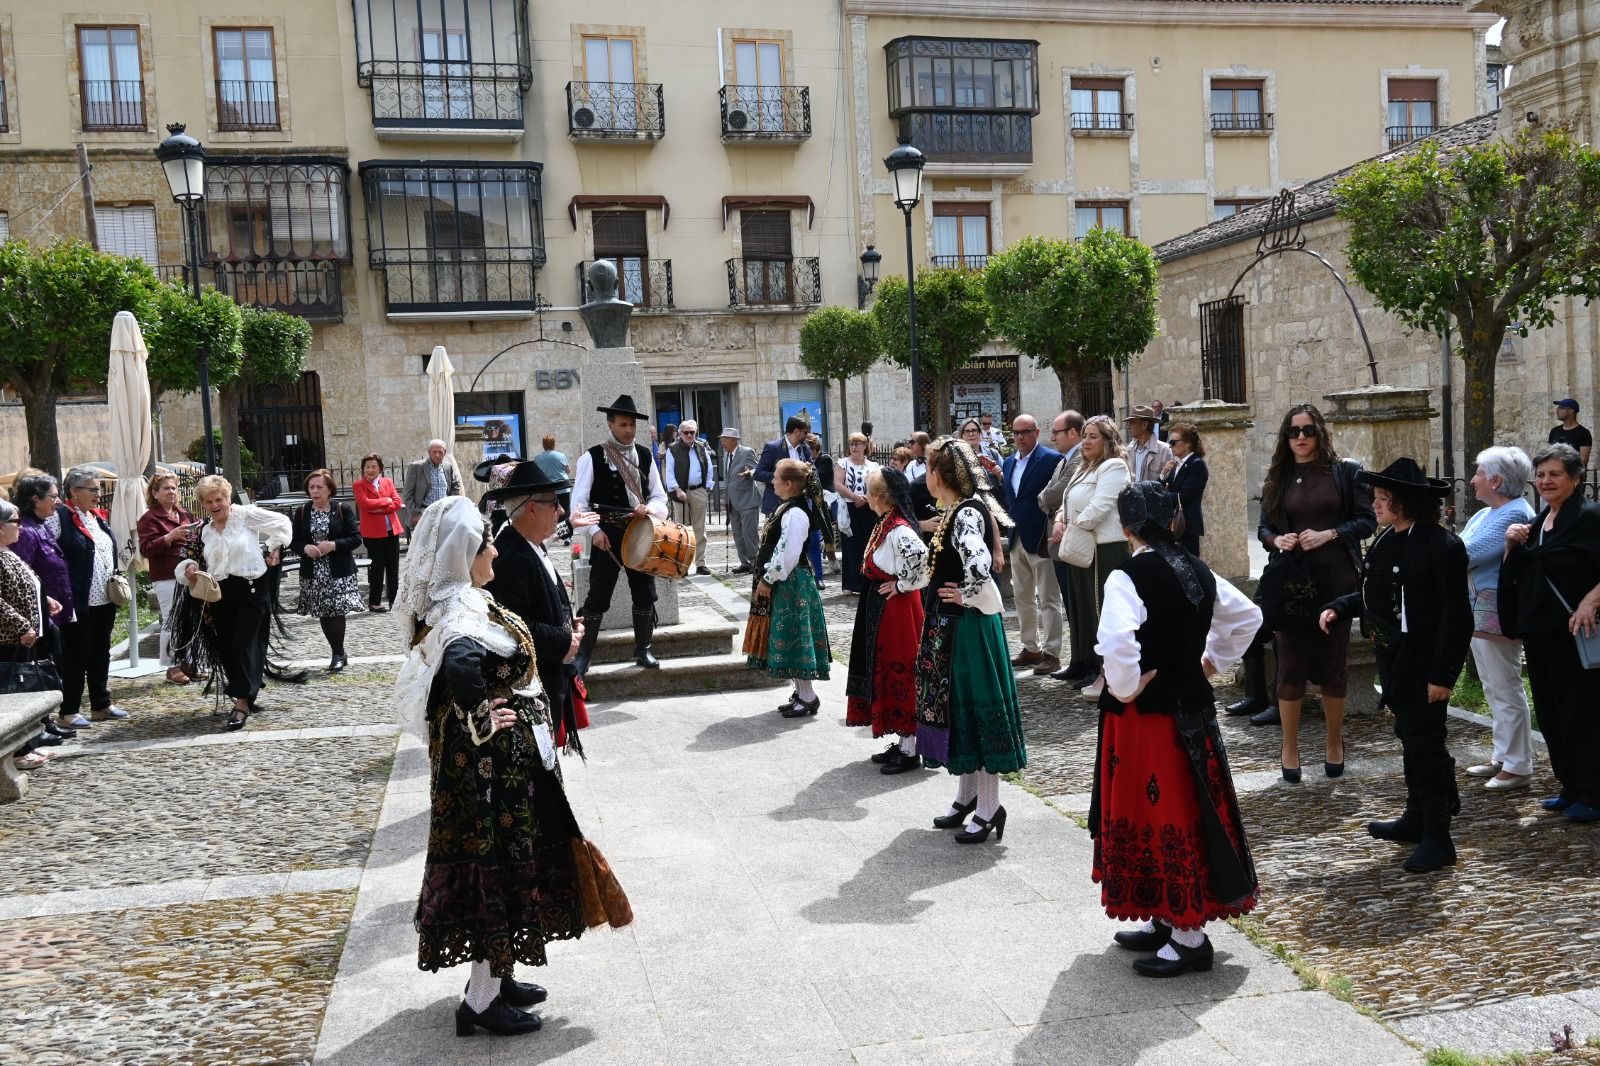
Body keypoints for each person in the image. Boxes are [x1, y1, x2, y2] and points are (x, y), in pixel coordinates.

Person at [394, 496, 630, 1039]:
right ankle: (480, 1001)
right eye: (486, 545)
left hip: (503, 767)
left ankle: (498, 979)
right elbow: (459, 665)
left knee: (511, 862)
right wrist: (482, 717)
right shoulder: (458, 612)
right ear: (464, 555)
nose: (495, 550)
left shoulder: (469, 600)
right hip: (486, 774)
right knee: (493, 870)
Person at [1092, 482, 1262, 976]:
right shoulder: (1197, 568)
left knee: (1166, 815)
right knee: (1186, 807)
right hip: (1192, 709)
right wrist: (1210, 663)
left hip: (1147, 720)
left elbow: (1117, 643)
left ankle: (1189, 936)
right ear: (1172, 522)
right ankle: (1166, 916)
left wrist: (1124, 688)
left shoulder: (1128, 574)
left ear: (1126, 529)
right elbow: (1248, 618)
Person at [1321, 459, 1472, 871]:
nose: (1375, 504)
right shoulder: (1389, 539)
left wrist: (1443, 676)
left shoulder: (1442, 547)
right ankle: (1416, 817)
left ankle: (1439, 839)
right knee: (1409, 738)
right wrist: (1341, 607)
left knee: (1427, 747)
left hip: (1425, 667)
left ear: (1404, 502)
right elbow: (1377, 595)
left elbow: (1457, 618)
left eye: (1384, 498)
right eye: (1376, 497)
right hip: (1394, 662)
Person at [1255, 402, 1375, 780]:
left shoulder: (1345, 472)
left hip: (1335, 581)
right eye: (1294, 432)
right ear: (1285, 437)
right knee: (1288, 665)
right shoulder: (1278, 477)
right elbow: (1263, 531)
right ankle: (1289, 749)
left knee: (1332, 664)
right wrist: (1278, 539)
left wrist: (1331, 533)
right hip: (1291, 583)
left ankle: (1333, 742)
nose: (1302, 438)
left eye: (1308, 430)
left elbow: (1367, 520)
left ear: (1320, 432)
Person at [917, 438, 1025, 843]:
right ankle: (967, 796)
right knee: (958, 711)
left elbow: (978, 562)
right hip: (955, 628)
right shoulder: (954, 511)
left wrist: (966, 592)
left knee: (976, 712)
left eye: (927, 469)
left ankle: (989, 804)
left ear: (938, 475)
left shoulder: (964, 514)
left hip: (968, 629)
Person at [1500, 443, 1600, 823]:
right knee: (1552, 712)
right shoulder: (1539, 523)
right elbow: (1521, 572)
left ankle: (1594, 791)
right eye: (1540, 475)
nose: (1545, 481)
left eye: (1555, 474)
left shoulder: (1590, 518)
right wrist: (1512, 544)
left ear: (1576, 478)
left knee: (1583, 712)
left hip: (1578, 633)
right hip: (1540, 632)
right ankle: (1570, 785)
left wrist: (1592, 599)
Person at [483, 461, 591, 755]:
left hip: (546, 682)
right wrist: (562, 639)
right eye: (554, 504)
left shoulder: (530, 542)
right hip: (529, 691)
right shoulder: (512, 555)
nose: (562, 511)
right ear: (531, 508)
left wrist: (568, 623)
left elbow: (541, 602)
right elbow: (510, 623)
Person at [172, 475, 293, 731]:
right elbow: (190, 561)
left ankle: (241, 704)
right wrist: (191, 568)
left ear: (228, 498)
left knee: (243, 644)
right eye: (209, 501)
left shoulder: (245, 515)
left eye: (219, 499)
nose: (215, 505)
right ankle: (247, 688)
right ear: (203, 504)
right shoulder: (202, 530)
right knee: (227, 648)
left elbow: (282, 523)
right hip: (221, 593)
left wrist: (274, 547)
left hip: (251, 587)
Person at [570, 394, 670, 674]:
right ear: (611, 425)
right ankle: (582, 655)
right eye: (623, 424)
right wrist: (593, 531)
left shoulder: (646, 455)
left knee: (645, 593)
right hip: (607, 539)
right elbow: (579, 504)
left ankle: (643, 650)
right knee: (597, 598)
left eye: (632, 425)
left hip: (640, 534)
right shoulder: (592, 457)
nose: (629, 430)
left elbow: (661, 498)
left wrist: (647, 508)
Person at [1460, 446, 1537, 792]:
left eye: (1478, 473)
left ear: (1496, 479)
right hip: (1478, 608)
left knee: (1505, 685)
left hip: (1497, 609)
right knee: (1492, 684)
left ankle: (1518, 764)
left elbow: (1467, 554)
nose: (1473, 479)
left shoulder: (1515, 513)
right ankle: (1503, 755)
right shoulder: (1486, 514)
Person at [845, 468, 929, 773]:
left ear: (880, 497)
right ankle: (903, 740)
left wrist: (902, 584)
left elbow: (921, 558)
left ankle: (910, 749)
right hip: (883, 608)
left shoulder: (898, 528)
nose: (866, 495)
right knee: (887, 669)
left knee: (901, 668)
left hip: (897, 611)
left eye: (869, 490)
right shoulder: (886, 523)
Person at [744, 459, 832, 717]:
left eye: (776, 477)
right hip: (787, 582)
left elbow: (788, 553)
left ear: (789, 484)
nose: (772, 481)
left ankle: (808, 696)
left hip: (791, 583)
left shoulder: (795, 513)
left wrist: (769, 578)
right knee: (788, 638)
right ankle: (801, 693)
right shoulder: (787, 508)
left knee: (796, 639)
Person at [1055, 416, 1131, 694]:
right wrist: (1060, 520)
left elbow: (1101, 505)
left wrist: (1073, 526)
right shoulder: (1084, 468)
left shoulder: (1114, 467)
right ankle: (1088, 663)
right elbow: (1068, 501)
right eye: (1085, 436)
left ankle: (1107, 671)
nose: (1086, 441)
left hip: (1105, 548)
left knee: (1101, 610)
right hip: (1082, 545)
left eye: (1093, 436)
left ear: (1107, 440)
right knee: (1083, 608)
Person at [55, 466, 127, 725]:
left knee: (100, 652)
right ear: (74, 491)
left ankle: (101, 704)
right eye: (93, 489)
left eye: (99, 489)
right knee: (78, 654)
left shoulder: (96, 517)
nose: (98, 494)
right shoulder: (60, 517)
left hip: (104, 599)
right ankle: (69, 710)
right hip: (79, 600)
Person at [1, 498, 66, 769]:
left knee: (24, 688)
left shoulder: (8, 551)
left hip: (25, 635)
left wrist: (44, 600)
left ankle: (25, 746)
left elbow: (24, 585)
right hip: (9, 638)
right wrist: (21, 626)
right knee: (13, 691)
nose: (21, 527)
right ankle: (17, 753)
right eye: (15, 522)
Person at [12, 475, 80, 734]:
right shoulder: (26, 531)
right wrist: (45, 599)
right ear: (34, 499)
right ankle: (40, 725)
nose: (58, 501)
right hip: (41, 615)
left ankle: (47, 722)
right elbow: (23, 574)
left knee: (54, 668)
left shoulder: (41, 525)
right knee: (42, 668)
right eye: (52, 496)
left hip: (56, 612)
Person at [999, 414, 1064, 676]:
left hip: (1040, 537)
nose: (1020, 437)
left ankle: (1052, 652)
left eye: (1025, 432)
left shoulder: (1050, 459)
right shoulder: (1008, 462)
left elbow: (1057, 495)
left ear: (1037, 432)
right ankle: (1030, 647)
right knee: (1023, 596)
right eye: (1015, 433)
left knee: (1048, 596)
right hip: (1016, 537)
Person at [291, 469, 364, 673]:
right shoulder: (302, 512)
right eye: (311, 487)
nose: (314, 491)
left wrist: (333, 545)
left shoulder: (342, 509)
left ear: (329, 489)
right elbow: (293, 541)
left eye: (319, 487)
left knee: (337, 610)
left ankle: (338, 654)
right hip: (314, 571)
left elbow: (355, 538)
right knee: (324, 611)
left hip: (338, 570)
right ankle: (337, 651)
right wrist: (305, 548)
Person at [136, 473, 196, 684]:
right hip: (166, 576)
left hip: (189, 574)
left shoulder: (184, 513)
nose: (171, 492)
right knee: (172, 620)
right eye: (166, 488)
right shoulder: (149, 519)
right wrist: (169, 538)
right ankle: (172, 666)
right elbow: (145, 549)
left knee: (190, 620)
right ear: (154, 493)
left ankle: (190, 662)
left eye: (174, 488)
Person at [1040, 411, 1085, 681]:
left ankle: (1086, 661)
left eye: (1056, 432)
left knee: (1077, 603)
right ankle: (1078, 659)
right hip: (1058, 541)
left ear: (1072, 433)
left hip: (1071, 540)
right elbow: (1049, 493)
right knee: (1070, 604)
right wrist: (1047, 497)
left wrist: (1047, 498)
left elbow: (1056, 493)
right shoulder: (1063, 460)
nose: (1052, 437)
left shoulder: (1079, 458)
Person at [354, 454, 405, 612]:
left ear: (380, 469)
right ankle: (374, 602)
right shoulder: (359, 485)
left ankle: (393, 601)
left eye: (373, 466)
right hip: (373, 533)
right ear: (363, 469)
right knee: (377, 567)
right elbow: (365, 503)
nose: (370, 469)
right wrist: (386, 501)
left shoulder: (387, 482)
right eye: (367, 466)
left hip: (392, 530)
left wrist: (380, 508)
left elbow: (397, 503)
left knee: (393, 567)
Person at [664, 419, 716, 576]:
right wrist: (677, 490)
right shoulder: (672, 449)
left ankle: (700, 563)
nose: (689, 435)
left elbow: (709, 468)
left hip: (699, 491)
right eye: (686, 432)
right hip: (681, 492)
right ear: (680, 434)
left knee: (700, 529)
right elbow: (669, 473)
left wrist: (708, 486)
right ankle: (682, 564)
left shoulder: (701, 447)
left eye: (692, 432)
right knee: (681, 530)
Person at [835, 432, 879, 594]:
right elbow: (838, 484)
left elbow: (876, 485)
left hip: (868, 507)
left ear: (864, 446)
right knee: (850, 544)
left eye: (857, 444)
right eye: (851, 444)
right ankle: (850, 583)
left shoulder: (873, 466)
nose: (854, 447)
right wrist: (854, 497)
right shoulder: (843, 463)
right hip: (849, 506)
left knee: (867, 543)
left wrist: (866, 498)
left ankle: (865, 582)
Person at [1163, 422, 1209, 558]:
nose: (1170, 446)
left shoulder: (1197, 464)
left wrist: (1160, 496)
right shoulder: (1176, 463)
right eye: (1169, 442)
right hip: (1172, 524)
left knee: (1190, 566)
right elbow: (1163, 485)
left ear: (1187, 444)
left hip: (1187, 524)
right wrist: (1163, 474)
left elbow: (1184, 495)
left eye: (1173, 442)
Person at [719, 428, 761, 574]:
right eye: (722, 439)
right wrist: (726, 500)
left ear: (734, 440)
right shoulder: (726, 455)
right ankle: (745, 562)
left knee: (749, 533)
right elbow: (728, 480)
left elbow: (757, 470)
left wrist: (750, 473)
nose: (723, 442)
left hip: (747, 500)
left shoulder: (747, 452)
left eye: (725, 439)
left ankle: (756, 562)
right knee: (738, 533)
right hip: (732, 502)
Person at [754, 416, 814, 516]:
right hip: (776, 504)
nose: (807, 436)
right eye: (805, 432)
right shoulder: (773, 448)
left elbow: (812, 469)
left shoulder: (805, 448)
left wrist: (809, 470)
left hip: (800, 504)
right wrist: (780, 478)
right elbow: (758, 473)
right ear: (796, 432)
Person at [401, 439, 464, 529]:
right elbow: (407, 494)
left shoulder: (447, 467)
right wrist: (415, 514)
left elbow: (455, 485)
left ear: (445, 452)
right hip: (424, 513)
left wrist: (451, 505)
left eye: (440, 452)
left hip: (445, 514)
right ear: (429, 452)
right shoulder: (416, 467)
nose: (437, 455)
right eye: (434, 452)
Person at [1122, 405, 1173, 482]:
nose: (1128, 427)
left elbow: (1169, 483)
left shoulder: (1165, 451)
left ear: (1144, 425)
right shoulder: (1128, 450)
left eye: (1131, 423)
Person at [533, 434, 574, 527]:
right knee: (565, 511)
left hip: (547, 489)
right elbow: (568, 471)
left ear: (543, 445)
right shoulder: (561, 456)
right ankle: (565, 535)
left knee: (549, 511)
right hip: (563, 487)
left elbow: (536, 472)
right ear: (553, 444)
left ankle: (550, 531)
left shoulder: (537, 457)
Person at [1548, 398, 1592, 469]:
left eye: (1561, 408)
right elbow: (1549, 455)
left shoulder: (1584, 433)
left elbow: (1583, 461)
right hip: (1555, 475)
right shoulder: (1554, 431)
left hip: (1573, 477)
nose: (1557, 410)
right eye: (1558, 408)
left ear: (1571, 411)